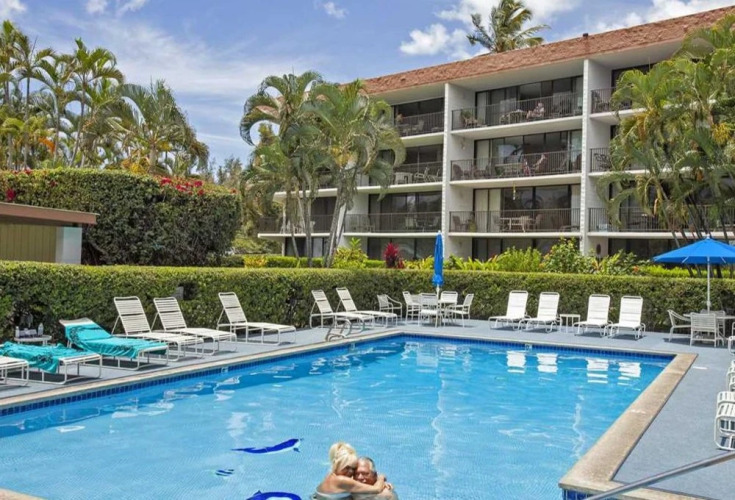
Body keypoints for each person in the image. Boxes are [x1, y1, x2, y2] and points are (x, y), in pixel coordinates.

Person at [312, 443, 388, 500]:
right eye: (347, 468)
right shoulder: (342, 480)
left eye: (353, 468)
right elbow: (377, 489)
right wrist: (381, 478)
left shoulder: (330, 476)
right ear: (338, 465)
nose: (350, 472)